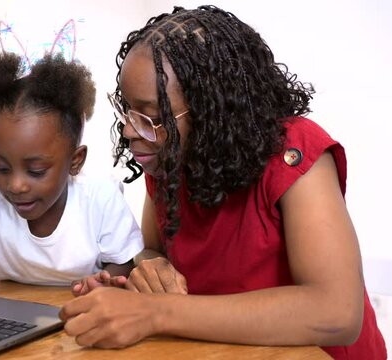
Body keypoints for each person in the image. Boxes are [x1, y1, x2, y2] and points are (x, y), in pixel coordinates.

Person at [59, 5, 387, 359]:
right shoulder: (170, 160)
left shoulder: (296, 154)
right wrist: (146, 273)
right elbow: (154, 250)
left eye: (153, 116)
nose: (128, 130)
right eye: (128, 110)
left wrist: (155, 313)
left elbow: (337, 312)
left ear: (213, 112)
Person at [0, 51, 143, 287]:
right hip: (17, 314)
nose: (15, 185)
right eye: (1, 167)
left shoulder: (100, 199)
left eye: (36, 170)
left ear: (75, 161)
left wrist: (105, 283)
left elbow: (124, 262)